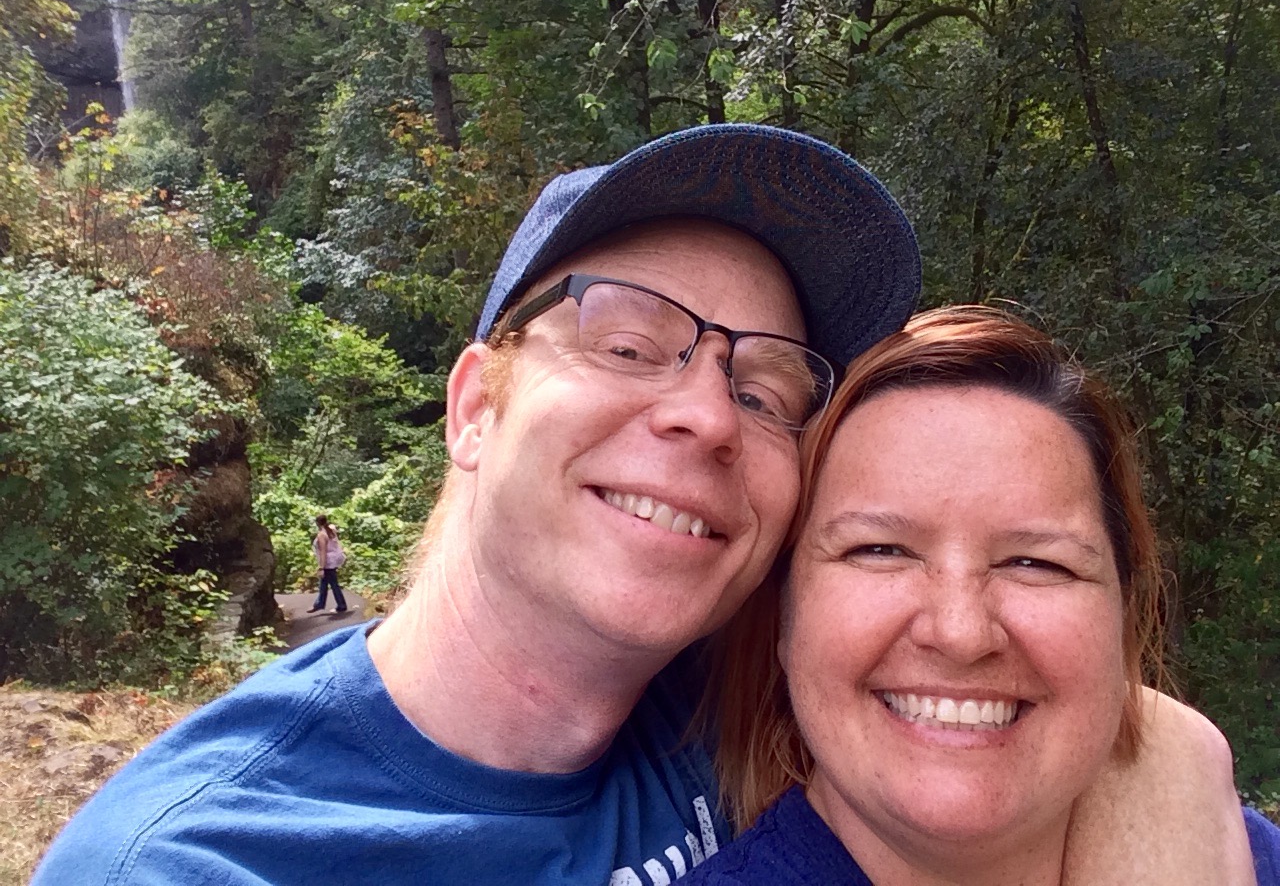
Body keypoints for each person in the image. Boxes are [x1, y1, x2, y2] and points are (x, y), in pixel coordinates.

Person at [34, 126, 1250, 885]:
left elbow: (1038, 690)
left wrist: (1171, 759)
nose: (706, 416)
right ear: (474, 407)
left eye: (765, 389)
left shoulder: (743, 702)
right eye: (625, 344)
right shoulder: (198, 863)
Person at [685, 306, 1277, 886]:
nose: (961, 634)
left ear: (1123, 614)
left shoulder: (1245, 855)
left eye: (1036, 563)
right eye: (880, 550)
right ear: (784, 618)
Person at [307, 513, 349, 614]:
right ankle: (319, 604)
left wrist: (321, 567)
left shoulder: (322, 535)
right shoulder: (331, 530)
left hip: (328, 562)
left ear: (317, 523)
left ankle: (341, 605)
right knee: (324, 583)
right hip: (333, 560)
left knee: (333, 584)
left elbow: (323, 552)